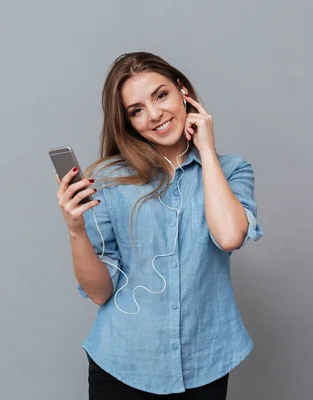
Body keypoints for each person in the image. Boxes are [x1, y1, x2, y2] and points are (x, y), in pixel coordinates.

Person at [54, 52, 263, 399]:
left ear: (183, 93)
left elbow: (228, 237)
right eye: (136, 110)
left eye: (161, 95)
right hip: (123, 364)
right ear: (128, 122)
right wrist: (76, 229)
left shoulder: (232, 171)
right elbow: (99, 292)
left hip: (205, 362)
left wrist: (206, 151)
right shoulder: (107, 180)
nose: (154, 115)